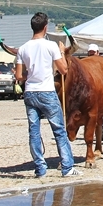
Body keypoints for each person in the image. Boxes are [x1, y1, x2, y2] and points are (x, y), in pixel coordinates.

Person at [14, 12, 81, 178]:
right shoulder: (51, 46)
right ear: (45, 27)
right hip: (47, 91)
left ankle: (40, 169)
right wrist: (61, 52)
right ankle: (67, 167)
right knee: (59, 130)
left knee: (34, 131)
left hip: (30, 92)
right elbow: (64, 70)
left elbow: (19, 76)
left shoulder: (22, 48)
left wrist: (29, 75)